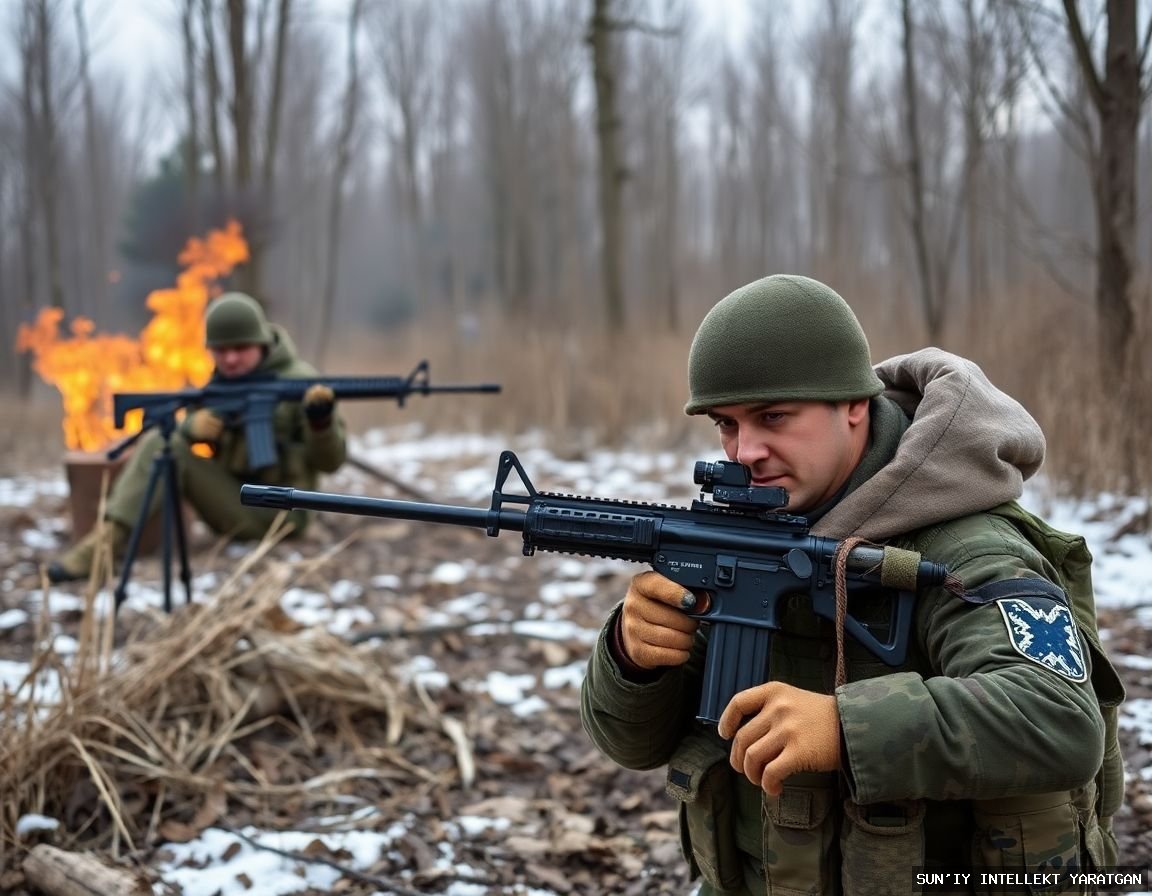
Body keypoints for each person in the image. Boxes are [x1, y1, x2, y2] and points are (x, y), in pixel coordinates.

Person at [579, 275, 1124, 895]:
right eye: (725, 425)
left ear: (854, 406)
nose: (745, 450)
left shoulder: (966, 546)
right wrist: (632, 659)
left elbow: (1060, 716)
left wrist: (845, 728)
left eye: (774, 416)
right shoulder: (758, 525)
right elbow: (634, 746)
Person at [47, 292, 348, 583]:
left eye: (241, 348)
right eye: (220, 350)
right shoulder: (217, 386)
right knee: (162, 443)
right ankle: (102, 546)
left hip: (285, 517)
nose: (230, 359)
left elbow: (331, 462)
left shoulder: (300, 382)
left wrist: (321, 423)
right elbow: (188, 435)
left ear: (262, 343)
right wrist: (190, 427)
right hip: (234, 504)